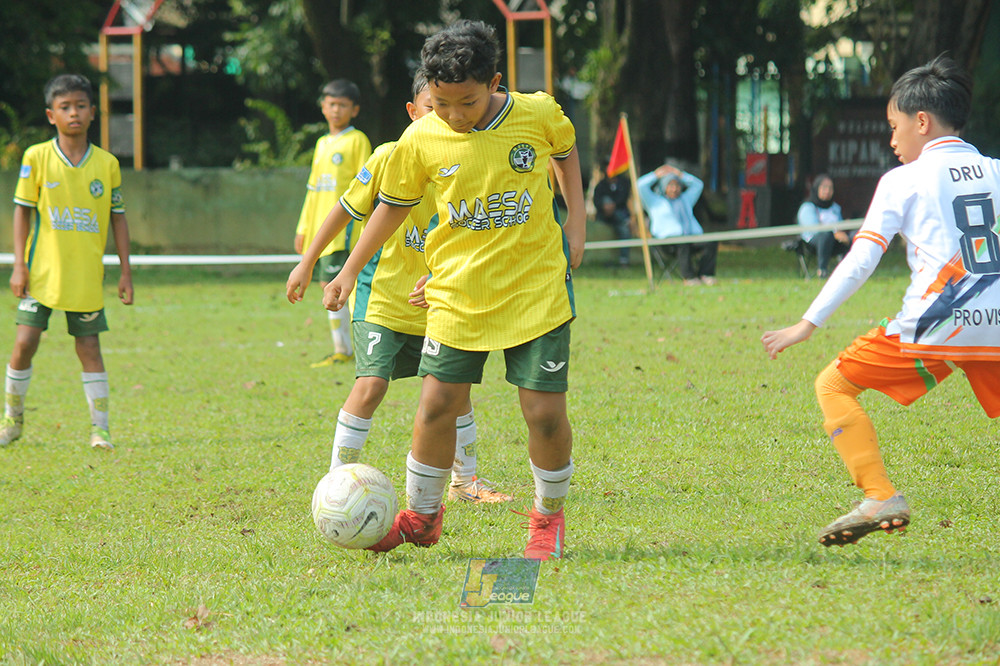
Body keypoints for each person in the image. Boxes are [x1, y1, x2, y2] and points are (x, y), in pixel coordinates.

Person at [324, 19, 586, 560]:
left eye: (465, 102)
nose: (454, 116)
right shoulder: (421, 137)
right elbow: (390, 207)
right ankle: (421, 518)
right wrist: (349, 269)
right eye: (441, 104)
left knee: (542, 413)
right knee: (437, 405)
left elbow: (565, 154)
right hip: (456, 293)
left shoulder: (537, 114)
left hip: (535, 289)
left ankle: (546, 521)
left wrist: (576, 224)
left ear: (494, 82)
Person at [762, 55, 1000, 547]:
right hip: (996, 320)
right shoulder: (995, 170)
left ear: (921, 121)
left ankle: (878, 495)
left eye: (894, 127)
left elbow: (860, 260)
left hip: (937, 324)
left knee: (832, 385)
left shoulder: (903, 180)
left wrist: (808, 322)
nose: (892, 141)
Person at [286, 73, 511, 504]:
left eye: (457, 108)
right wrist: (309, 262)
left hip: (440, 300)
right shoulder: (390, 155)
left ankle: (466, 482)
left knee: (455, 392)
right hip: (384, 297)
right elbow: (345, 209)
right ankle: (336, 484)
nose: (446, 119)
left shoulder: (467, 160)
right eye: (434, 108)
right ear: (413, 112)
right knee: (371, 385)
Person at [1, 74, 133, 450]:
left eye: (80, 106)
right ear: (51, 115)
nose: (73, 113)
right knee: (24, 342)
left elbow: (118, 218)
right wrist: (19, 265)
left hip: (85, 276)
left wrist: (125, 271)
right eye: (64, 107)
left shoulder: (106, 164)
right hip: (40, 274)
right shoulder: (37, 157)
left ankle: (100, 429)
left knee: (89, 348)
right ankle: (12, 420)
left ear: (93, 112)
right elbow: (21, 212)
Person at [293, 79, 371, 368]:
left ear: (355, 110)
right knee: (329, 284)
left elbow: (367, 184)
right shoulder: (322, 143)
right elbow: (313, 190)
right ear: (323, 107)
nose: (336, 110)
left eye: (343, 105)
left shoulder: (357, 140)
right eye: (331, 104)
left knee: (336, 284)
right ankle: (345, 349)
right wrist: (304, 227)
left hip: (345, 231)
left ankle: (348, 349)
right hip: (321, 232)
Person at [637, 163, 718, 285]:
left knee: (711, 241)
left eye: (677, 185)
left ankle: (705, 274)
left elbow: (698, 185)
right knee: (682, 242)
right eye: (670, 185)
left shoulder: (685, 200)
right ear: (664, 187)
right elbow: (640, 185)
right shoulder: (654, 202)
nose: (674, 189)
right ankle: (689, 277)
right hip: (667, 242)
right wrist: (656, 174)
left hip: (690, 238)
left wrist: (680, 174)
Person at [797, 174, 851, 278]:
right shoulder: (807, 207)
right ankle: (822, 271)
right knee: (825, 235)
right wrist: (834, 234)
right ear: (817, 188)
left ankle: (851, 271)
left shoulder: (835, 208)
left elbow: (839, 227)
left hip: (835, 241)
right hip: (813, 242)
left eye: (830, 188)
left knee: (855, 236)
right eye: (824, 187)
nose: (827, 191)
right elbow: (814, 229)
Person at [592, 159, 632, 266]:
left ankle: (624, 260)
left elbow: (624, 198)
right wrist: (604, 207)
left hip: (620, 216)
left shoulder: (624, 183)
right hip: (603, 217)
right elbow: (596, 200)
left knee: (624, 231)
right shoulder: (600, 186)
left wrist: (613, 206)